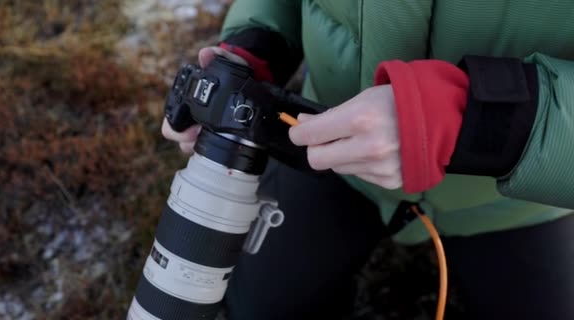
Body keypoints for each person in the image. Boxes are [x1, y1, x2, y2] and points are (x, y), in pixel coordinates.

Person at [162, 1, 574, 319]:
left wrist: (475, 122)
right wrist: (256, 45)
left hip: (511, 202)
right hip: (327, 153)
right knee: (260, 308)